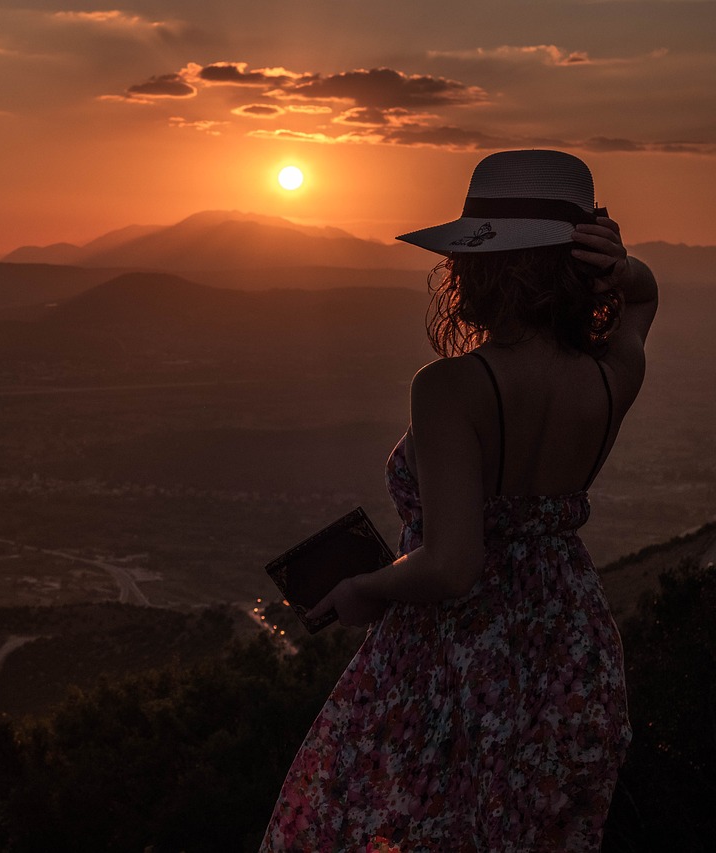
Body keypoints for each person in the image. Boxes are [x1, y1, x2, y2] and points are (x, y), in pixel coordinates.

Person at [259, 149, 658, 852]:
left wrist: (363, 588)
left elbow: (451, 565)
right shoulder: (612, 374)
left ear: (485, 266)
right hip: (572, 650)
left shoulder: (451, 387)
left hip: (460, 665)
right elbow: (646, 297)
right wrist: (615, 269)